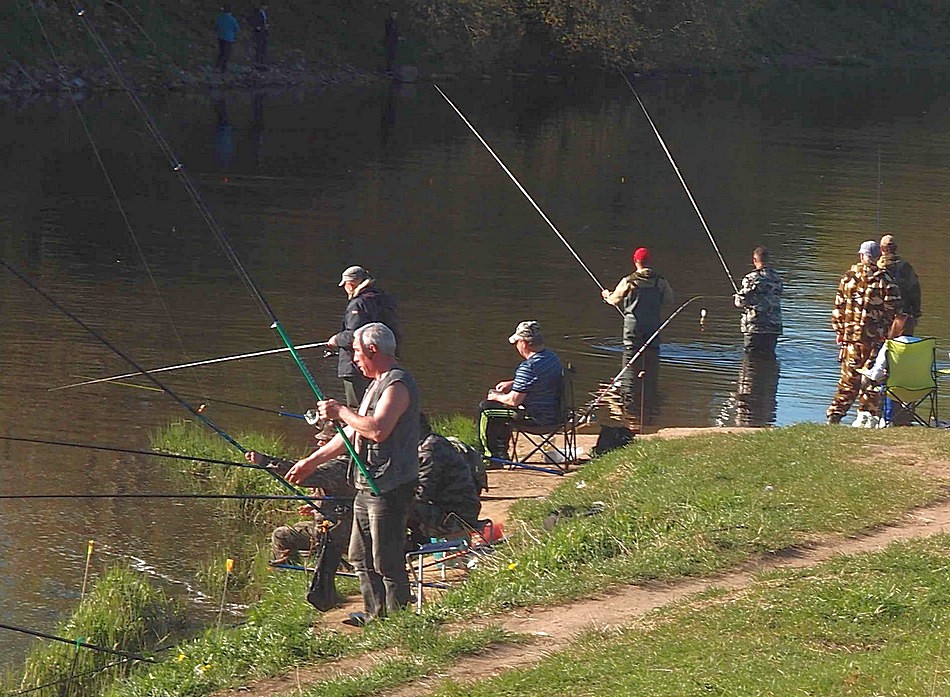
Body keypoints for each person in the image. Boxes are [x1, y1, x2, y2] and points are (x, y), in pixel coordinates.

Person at [288, 322, 419, 624]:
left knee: (386, 561)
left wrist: (340, 411)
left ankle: (399, 623)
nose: (354, 358)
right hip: (366, 485)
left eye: (357, 352)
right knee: (360, 556)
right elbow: (353, 431)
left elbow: (377, 429)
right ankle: (376, 616)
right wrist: (312, 461)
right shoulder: (375, 383)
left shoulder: (397, 384)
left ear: (373, 350)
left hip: (389, 486)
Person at [826, 240, 901, 425]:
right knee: (872, 379)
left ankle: (835, 415)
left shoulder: (848, 277)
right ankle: (866, 415)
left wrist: (839, 332)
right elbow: (894, 309)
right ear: (878, 257)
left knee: (848, 380)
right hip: (875, 339)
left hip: (850, 340)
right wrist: (887, 332)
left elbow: (838, 307)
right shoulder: (885, 280)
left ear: (861, 255)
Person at [478, 320, 562, 463]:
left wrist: (495, 396)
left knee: (486, 408)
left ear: (523, 343)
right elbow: (540, 379)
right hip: (556, 415)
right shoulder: (551, 358)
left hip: (538, 419)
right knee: (500, 410)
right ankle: (501, 452)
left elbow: (514, 401)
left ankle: (490, 457)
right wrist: (514, 383)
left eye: (517, 342)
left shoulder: (528, 367)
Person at [328, 265, 401, 408]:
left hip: (356, 365)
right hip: (383, 362)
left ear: (351, 284)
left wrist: (336, 339)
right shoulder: (384, 299)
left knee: (357, 408)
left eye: (345, 285)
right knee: (378, 405)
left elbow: (354, 335)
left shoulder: (358, 303)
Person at [408, 414, 482, 547]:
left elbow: (422, 493)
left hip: (457, 518)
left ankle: (400, 549)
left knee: (394, 507)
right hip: (454, 510)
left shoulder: (429, 449)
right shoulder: (430, 442)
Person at [857, 313, 922, 428]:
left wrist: (866, 373)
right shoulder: (923, 344)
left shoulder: (890, 345)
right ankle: (904, 418)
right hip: (920, 388)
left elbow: (877, 372)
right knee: (897, 381)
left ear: (894, 327)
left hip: (894, 388)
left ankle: (886, 419)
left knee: (886, 382)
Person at [602, 247, 674, 350]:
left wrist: (607, 295)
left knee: (630, 352)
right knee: (652, 352)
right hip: (653, 326)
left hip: (633, 327)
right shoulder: (660, 281)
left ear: (635, 260)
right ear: (649, 261)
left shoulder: (629, 281)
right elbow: (669, 300)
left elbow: (614, 300)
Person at [733, 245, 783, 357]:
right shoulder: (777, 278)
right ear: (768, 260)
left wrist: (737, 296)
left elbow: (740, 302)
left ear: (754, 260)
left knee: (750, 359)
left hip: (754, 327)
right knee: (769, 357)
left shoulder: (751, 278)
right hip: (773, 326)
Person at [878, 235, 921, 319]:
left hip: (881, 314)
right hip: (902, 315)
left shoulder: (876, 267)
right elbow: (914, 290)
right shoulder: (906, 267)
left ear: (881, 249)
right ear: (896, 248)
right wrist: (916, 312)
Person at [214, 4, 239, 73]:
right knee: (226, 53)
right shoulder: (232, 19)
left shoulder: (220, 17)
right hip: (229, 38)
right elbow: (237, 28)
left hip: (220, 37)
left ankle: (217, 66)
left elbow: (216, 27)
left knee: (221, 52)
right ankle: (223, 68)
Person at [248, 3, 269, 68]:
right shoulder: (257, 13)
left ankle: (262, 60)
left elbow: (265, 21)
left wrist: (267, 25)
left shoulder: (265, 13)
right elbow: (252, 20)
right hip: (259, 32)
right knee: (259, 45)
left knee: (263, 46)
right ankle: (258, 60)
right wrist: (257, 26)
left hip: (264, 31)